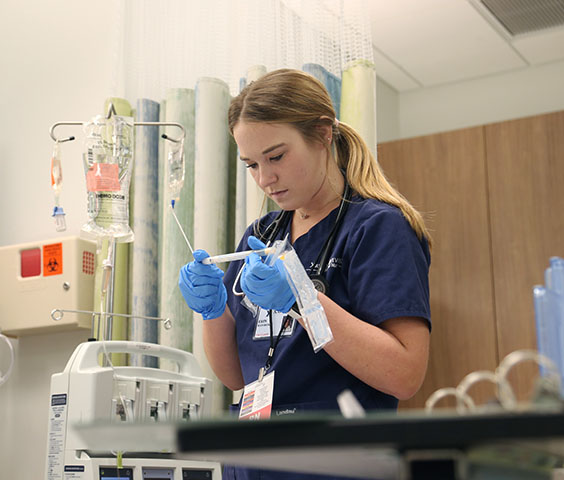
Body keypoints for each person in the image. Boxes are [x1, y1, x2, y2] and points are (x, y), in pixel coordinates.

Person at [178, 68, 432, 480]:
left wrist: (302, 298)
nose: (265, 179)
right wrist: (212, 310)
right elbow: (236, 376)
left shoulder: (377, 228)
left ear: (323, 133)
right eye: (251, 165)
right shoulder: (261, 236)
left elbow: (404, 374)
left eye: (276, 157)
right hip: (254, 459)